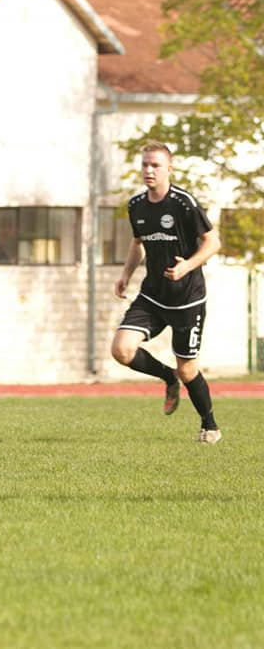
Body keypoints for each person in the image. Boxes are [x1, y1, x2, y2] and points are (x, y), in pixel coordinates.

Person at [111, 141, 223, 444]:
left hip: (188, 298)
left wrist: (187, 266)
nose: (149, 170)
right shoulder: (136, 205)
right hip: (153, 295)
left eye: (155, 165)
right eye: (145, 164)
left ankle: (209, 425)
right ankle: (166, 376)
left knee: (188, 369)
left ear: (169, 169)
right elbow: (138, 243)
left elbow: (213, 242)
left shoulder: (183, 203)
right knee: (121, 350)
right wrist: (125, 274)